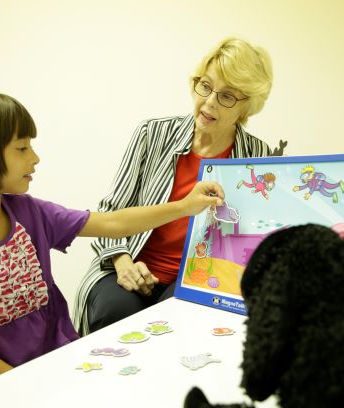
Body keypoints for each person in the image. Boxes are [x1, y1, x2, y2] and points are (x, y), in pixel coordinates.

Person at [0, 90, 224, 406]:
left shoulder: (29, 212)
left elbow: (114, 223)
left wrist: (185, 206)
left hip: (48, 368)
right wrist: (30, 390)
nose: (34, 158)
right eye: (22, 148)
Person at [73, 36, 274, 335]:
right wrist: (122, 261)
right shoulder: (151, 134)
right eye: (205, 86)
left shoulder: (257, 156)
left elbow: (249, 236)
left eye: (227, 96)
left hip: (199, 278)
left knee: (176, 326)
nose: (208, 102)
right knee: (114, 317)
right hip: (128, 262)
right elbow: (111, 210)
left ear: (247, 106)